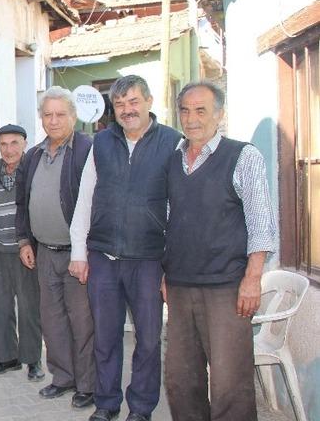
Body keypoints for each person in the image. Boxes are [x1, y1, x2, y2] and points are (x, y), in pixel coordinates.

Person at [69, 75, 182, 421]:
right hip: (103, 256)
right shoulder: (100, 143)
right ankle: (106, 404)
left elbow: (178, 208)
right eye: (119, 104)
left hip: (148, 259)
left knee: (148, 340)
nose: (127, 110)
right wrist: (78, 252)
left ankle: (142, 407)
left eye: (133, 102)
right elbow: (85, 197)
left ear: (149, 101)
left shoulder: (172, 143)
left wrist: (171, 265)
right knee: (105, 336)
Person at [163, 82, 276, 421]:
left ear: (219, 114)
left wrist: (253, 279)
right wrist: (164, 275)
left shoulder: (243, 155)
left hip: (226, 287)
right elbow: (168, 222)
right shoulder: (173, 161)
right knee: (182, 381)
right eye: (185, 110)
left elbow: (261, 223)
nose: (191, 118)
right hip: (180, 286)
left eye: (201, 110)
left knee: (230, 385)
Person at [15, 88, 96, 408]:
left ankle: (88, 385)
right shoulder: (33, 155)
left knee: (83, 322)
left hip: (79, 255)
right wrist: (24, 240)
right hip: (45, 252)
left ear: (73, 117)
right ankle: (63, 377)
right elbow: (23, 202)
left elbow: (96, 202)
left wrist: (87, 251)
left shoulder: (88, 150)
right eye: (47, 114)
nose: (54, 120)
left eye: (60, 114)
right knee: (52, 319)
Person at [0, 123, 46, 382]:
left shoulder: (35, 168)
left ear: (25, 143)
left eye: (14, 143)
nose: (9, 149)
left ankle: (33, 360)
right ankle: (7, 358)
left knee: (29, 308)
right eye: (3, 144)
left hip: (24, 250)